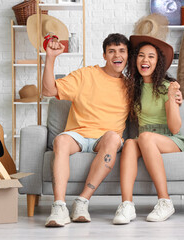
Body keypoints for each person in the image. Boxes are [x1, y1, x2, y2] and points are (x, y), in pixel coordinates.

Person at [42, 33, 133, 227]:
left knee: (113, 138)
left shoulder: (130, 86)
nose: (117, 55)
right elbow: (49, 91)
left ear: (127, 55)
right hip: (78, 135)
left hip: (106, 139)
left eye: (122, 51)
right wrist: (50, 58)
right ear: (104, 55)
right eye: (111, 51)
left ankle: (82, 201)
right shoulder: (85, 74)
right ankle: (59, 207)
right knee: (60, 140)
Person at [113, 35, 184, 224]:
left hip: (170, 139)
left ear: (158, 62)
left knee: (144, 137)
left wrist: (172, 98)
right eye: (141, 55)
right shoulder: (132, 88)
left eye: (151, 56)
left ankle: (165, 201)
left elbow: (175, 127)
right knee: (130, 143)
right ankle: (127, 205)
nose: (145, 60)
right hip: (145, 140)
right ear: (135, 60)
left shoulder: (168, 87)